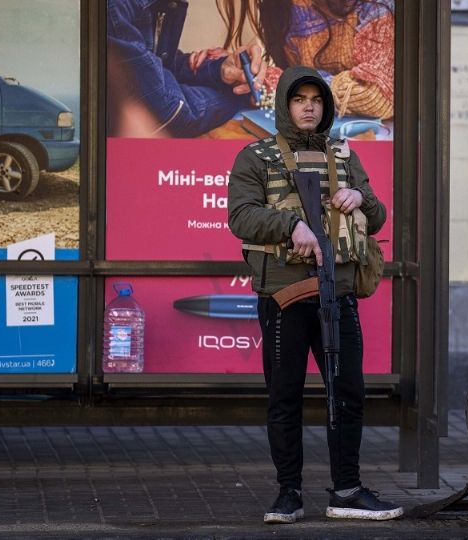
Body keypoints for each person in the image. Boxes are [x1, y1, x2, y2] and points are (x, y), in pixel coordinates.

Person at [227, 65, 400, 524]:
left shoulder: (342, 155)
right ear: (285, 104)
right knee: (284, 396)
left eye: (317, 100)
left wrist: (361, 200)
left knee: (348, 393)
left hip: (337, 292)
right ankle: (289, 494)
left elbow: (378, 216)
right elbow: (241, 217)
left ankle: (346, 489)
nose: (309, 106)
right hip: (284, 295)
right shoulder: (256, 156)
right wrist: (291, 224)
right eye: (300, 98)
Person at [106, 0, 268, 138]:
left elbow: (159, 67)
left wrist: (220, 70)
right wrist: (238, 97)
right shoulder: (115, 6)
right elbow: (169, 113)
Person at [219, 0, 394, 120]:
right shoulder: (277, 8)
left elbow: (377, 95)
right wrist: (249, 76)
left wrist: (287, 86)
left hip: (377, 148)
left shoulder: (373, 6)